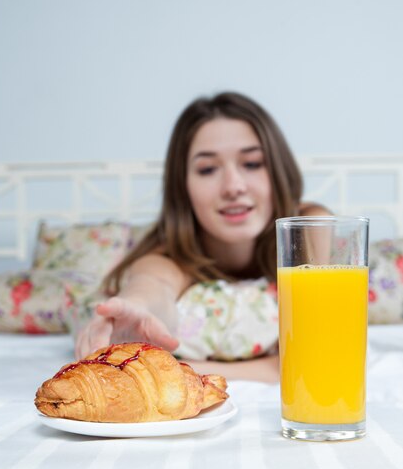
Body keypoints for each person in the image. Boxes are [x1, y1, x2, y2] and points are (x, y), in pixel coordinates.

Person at [75, 92, 330, 382]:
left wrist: (186, 370)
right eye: (207, 169)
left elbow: (318, 355)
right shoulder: (167, 254)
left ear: (278, 170)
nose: (233, 186)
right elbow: (151, 285)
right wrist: (135, 307)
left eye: (252, 163)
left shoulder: (311, 229)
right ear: (183, 187)